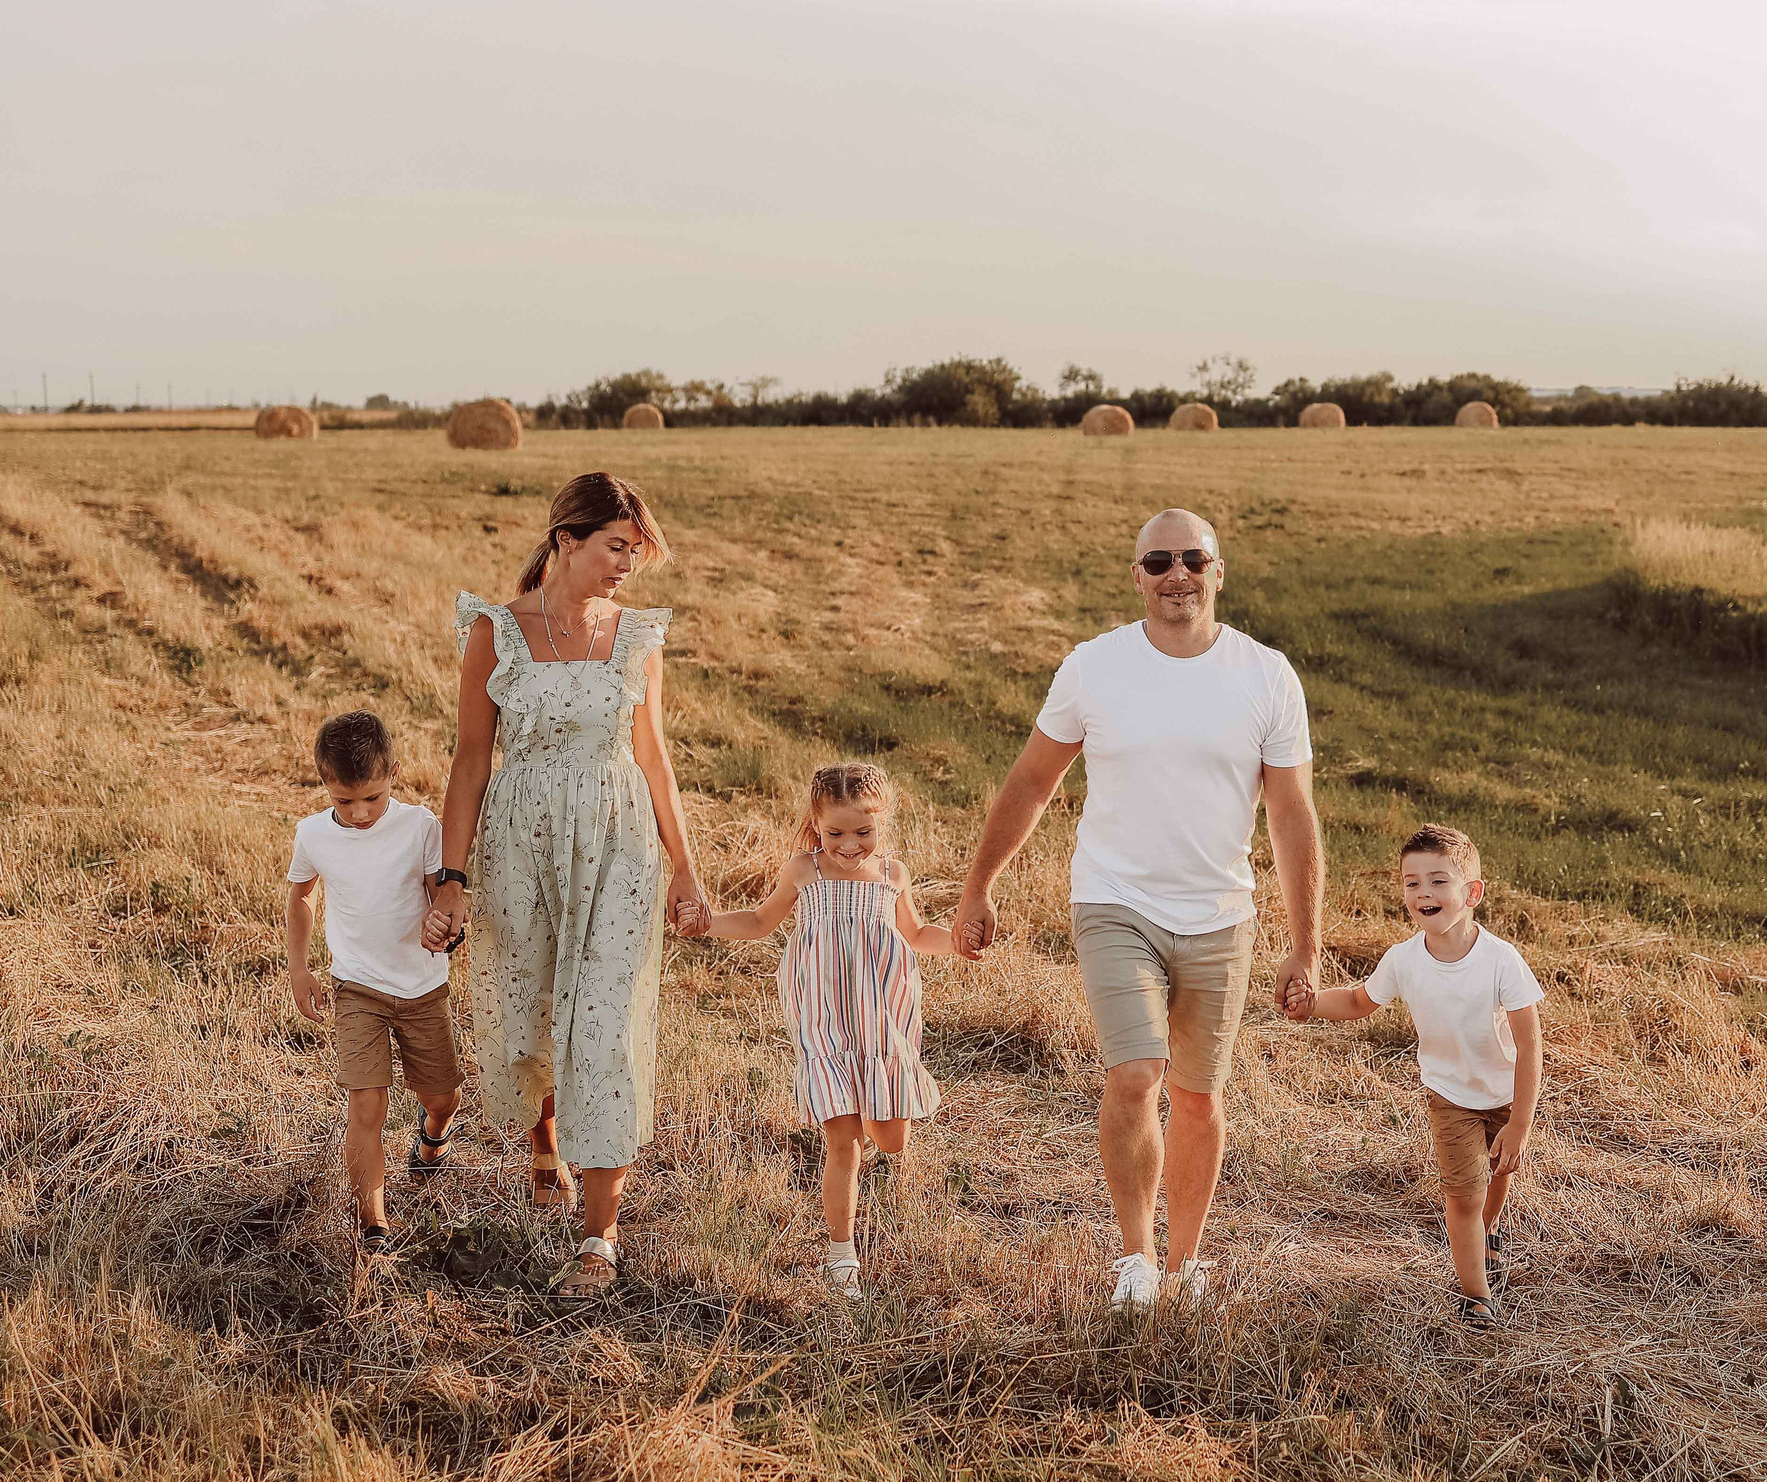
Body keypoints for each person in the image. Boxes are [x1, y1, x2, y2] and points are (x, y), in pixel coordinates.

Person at [954, 508, 1323, 1312]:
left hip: (1221, 912)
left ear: (1220, 569)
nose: (1176, 574)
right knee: (1135, 1073)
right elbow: (1030, 781)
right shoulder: (1094, 667)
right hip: (1114, 899)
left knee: (1197, 1094)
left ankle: (1187, 1262)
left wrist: (1307, 944)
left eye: (1193, 558)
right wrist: (979, 884)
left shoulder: (1265, 674)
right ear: (1137, 576)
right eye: (1158, 561)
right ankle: (1136, 1258)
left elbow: (1292, 813)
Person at [427, 472, 708, 1297]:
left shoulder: (637, 638)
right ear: (566, 542)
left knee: (604, 1021)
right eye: (615, 546)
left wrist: (685, 869)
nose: (628, 563)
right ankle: (545, 1135)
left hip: (619, 842)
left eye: (636, 549)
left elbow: (655, 759)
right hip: (520, 838)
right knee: (530, 1015)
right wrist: (451, 877)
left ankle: (599, 1235)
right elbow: (470, 760)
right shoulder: (496, 632)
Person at [699, 763, 969, 1300]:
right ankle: (841, 1254)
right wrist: (708, 921)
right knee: (842, 1140)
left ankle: (876, 1102)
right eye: (836, 833)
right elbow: (758, 921)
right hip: (823, 1023)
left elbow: (915, 934)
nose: (850, 844)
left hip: (882, 1020)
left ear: (881, 825)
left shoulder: (892, 875)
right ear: (816, 827)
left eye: (863, 832)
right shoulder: (805, 871)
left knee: (890, 1140)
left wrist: (959, 940)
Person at [1287, 825, 1544, 1327]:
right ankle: (1477, 1296)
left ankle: (1488, 1233)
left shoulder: (1501, 962)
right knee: (1463, 1194)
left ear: (1472, 893)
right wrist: (1314, 1003)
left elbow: (1532, 1047)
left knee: (1499, 1171)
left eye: (1437, 881)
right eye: (1411, 883)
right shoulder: (1404, 959)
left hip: (1506, 1091)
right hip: (1449, 1095)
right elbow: (1361, 1001)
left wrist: (1520, 1125)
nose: (1423, 892)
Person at [283, 710, 464, 1258]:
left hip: (421, 988)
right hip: (355, 988)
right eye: (344, 802)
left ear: (395, 775)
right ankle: (372, 1225)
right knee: (366, 1109)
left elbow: (442, 897)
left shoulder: (421, 827)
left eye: (372, 799)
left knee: (442, 1095)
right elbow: (300, 897)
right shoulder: (313, 834)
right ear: (323, 784)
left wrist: (446, 924)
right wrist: (298, 968)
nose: (359, 814)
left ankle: (433, 1135)